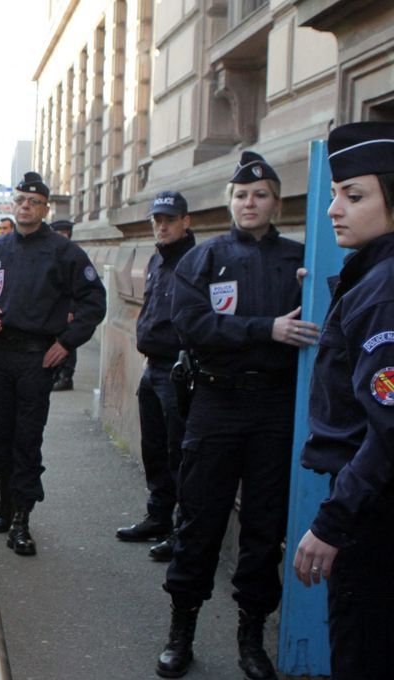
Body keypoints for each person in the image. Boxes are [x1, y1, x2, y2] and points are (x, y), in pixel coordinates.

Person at [155, 152, 319, 679]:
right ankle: (181, 631)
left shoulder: (302, 260)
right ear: (230, 202)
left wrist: (315, 288)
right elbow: (191, 325)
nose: (250, 203)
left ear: (276, 201)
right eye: (241, 195)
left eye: (261, 195)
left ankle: (252, 637)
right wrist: (263, 329)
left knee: (265, 527)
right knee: (199, 519)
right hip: (217, 405)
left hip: (276, 407)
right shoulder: (203, 260)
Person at [294, 121, 394, 679]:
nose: (334, 209)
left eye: (354, 196)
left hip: (373, 516)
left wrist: (334, 521)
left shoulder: (384, 290)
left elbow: (387, 431)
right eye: (334, 194)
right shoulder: (371, 276)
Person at [0, 172, 106, 556]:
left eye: (33, 201)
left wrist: (66, 343)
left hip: (35, 359)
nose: (25, 206)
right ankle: (5, 501)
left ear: (45, 208)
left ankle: (21, 519)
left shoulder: (64, 253)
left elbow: (94, 301)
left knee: (26, 440)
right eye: (20, 200)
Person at [115, 192, 195, 562]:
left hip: (178, 370)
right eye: (156, 221)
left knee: (179, 453)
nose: (162, 226)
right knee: (154, 449)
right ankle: (158, 517)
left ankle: (182, 530)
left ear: (185, 222)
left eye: (169, 220)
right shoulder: (156, 261)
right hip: (153, 368)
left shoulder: (196, 261)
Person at [48, 219, 80, 391]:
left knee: (67, 342)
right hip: (54, 309)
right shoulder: (54, 253)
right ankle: (57, 373)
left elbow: (77, 288)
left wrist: (71, 310)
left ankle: (66, 376)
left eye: (59, 233)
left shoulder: (72, 255)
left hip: (67, 309)